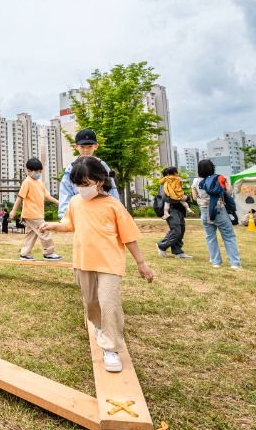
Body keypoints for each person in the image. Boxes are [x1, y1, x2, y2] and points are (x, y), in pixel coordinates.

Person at [42, 156, 154, 373]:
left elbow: (129, 236)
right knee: (92, 303)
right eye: (78, 185)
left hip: (110, 264)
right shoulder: (75, 202)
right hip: (83, 262)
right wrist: (54, 226)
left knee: (109, 302)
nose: (81, 189)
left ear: (100, 181)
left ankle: (111, 348)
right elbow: (69, 224)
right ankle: (100, 327)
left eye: (86, 184)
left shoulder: (114, 205)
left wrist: (141, 263)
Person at [58, 129, 120, 219]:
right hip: (80, 213)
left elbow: (112, 189)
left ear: (96, 146)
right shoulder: (71, 168)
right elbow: (65, 191)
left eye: (90, 146)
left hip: (101, 212)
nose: (86, 150)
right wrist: (64, 215)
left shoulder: (102, 165)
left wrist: (116, 210)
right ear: (76, 147)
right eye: (82, 147)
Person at [192, 159, 242, 269]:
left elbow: (195, 198)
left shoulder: (195, 181)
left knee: (210, 237)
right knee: (229, 236)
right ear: (212, 168)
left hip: (205, 211)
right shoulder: (220, 177)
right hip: (219, 209)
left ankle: (216, 262)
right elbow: (228, 192)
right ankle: (234, 263)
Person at [10, 158, 61, 261]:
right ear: (28, 171)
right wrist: (13, 210)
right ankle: (49, 253)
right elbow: (20, 197)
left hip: (36, 213)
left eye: (40, 171)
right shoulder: (27, 182)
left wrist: (59, 203)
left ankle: (24, 254)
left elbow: (47, 196)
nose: (38, 173)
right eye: (36, 171)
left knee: (31, 235)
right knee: (44, 231)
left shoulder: (40, 182)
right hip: (32, 213)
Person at [156, 166, 192, 260]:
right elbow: (168, 198)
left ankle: (178, 252)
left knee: (181, 230)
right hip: (171, 209)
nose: (177, 174)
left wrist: (186, 197)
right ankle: (162, 245)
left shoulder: (176, 182)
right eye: (175, 172)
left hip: (178, 209)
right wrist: (180, 198)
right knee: (176, 230)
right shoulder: (165, 184)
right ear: (168, 175)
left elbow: (180, 193)